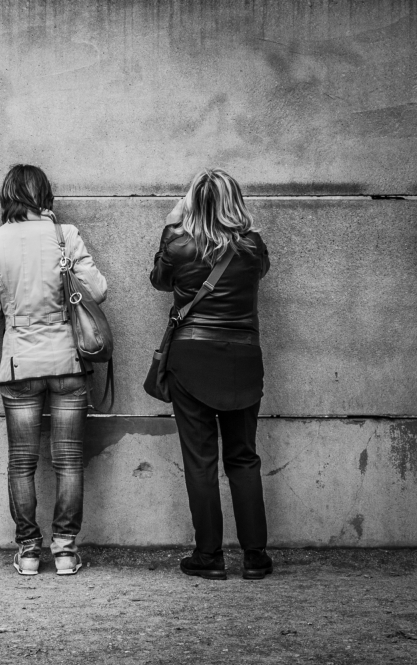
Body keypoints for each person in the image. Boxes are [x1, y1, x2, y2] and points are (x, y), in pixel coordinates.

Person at [0, 164, 107, 576]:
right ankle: (65, 551)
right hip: (68, 361)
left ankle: (29, 551)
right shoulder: (66, 235)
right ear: (45, 196)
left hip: (19, 364)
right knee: (69, 460)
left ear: (7, 197)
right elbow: (98, 290)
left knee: (21, 462)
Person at [150, 168, 273, 581]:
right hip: (243, 361)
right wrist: (243, 227)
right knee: (243, 457)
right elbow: (261, 267)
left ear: (193, 204)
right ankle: (255, 556)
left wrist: (171, 224)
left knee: (201, 461)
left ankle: (209, 556)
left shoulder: (179, 245)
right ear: (235, 203)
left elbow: (158, 280)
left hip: (191, 360)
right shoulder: (252, 247)